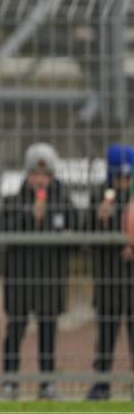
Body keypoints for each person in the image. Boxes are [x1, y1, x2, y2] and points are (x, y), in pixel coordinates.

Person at [0, 143, 77, 401]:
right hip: (20, 278)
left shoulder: (64, 202)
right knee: (15, 330)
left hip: (50, 279)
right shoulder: (13, 200)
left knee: (47, 332)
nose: (40, 180)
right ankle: (9, 383)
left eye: (45, 175)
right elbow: (3, 232)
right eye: (35, 174)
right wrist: (28, 217)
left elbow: (78, 236)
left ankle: (47, 384)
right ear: (27, 174)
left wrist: (67, 235)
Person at [84, 145, 134, 400]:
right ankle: (101, 384)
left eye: (128, 177)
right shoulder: (98, 199)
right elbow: (88, 238)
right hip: (107, 281)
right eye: (119, 177)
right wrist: (98, 219)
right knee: (106, 336)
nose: (123, 182)